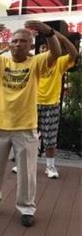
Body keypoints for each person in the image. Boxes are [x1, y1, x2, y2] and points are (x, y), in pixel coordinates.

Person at [0, 21, 61, 228]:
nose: (17, 44)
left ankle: (26, 208)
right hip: (0, 125)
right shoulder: (1, 63)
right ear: (9, 45)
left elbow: (55, 54)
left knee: (27, 172)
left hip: (25, 126)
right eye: (14, 41)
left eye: (23, 41)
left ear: (30, 46)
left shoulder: (35, 63)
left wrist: (48, 32)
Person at [35, 32, 78, 179]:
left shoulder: (59, 62)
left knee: (50, 139)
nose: (44, 50)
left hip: (51, 105)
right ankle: (26, 163)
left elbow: (74, 54)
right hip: (32, 105)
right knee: (29, 138)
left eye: (48, 48)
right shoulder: (35, 61)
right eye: (42, 47)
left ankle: (50, 166)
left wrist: (62, 38)